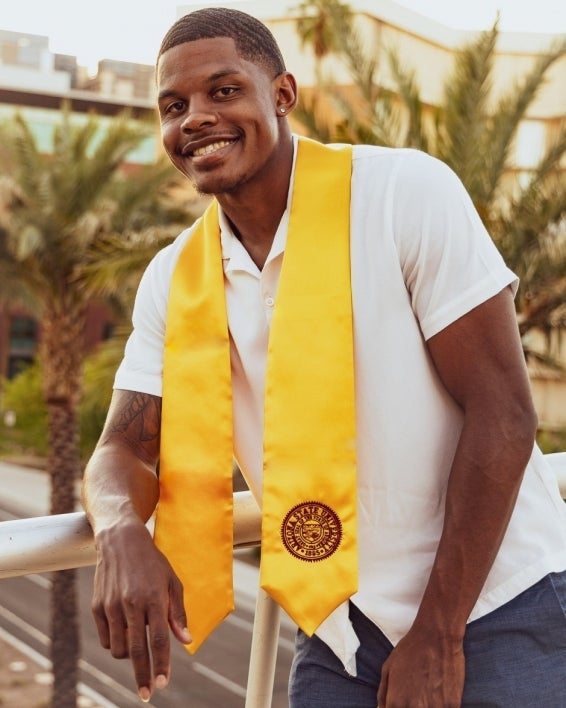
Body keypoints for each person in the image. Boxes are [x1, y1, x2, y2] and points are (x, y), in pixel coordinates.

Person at [81, 6, 566, 707]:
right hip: (340, 629)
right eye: (173, 105)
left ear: (282, 94)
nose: (195, 119)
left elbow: (505, 412)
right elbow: (123, 447)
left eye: (224, 91)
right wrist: (120, 529)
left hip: (499, 609)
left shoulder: (404, 194)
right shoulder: (176, 276)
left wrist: (439, 631)